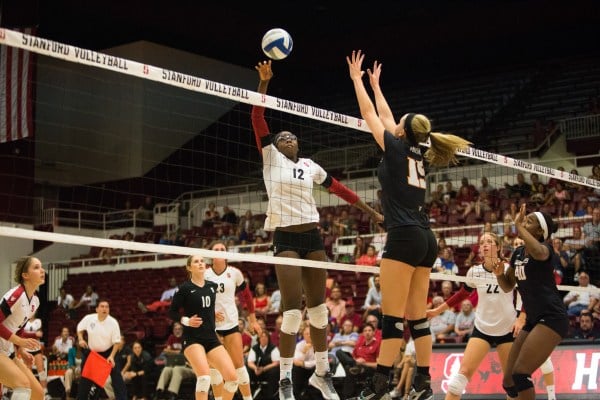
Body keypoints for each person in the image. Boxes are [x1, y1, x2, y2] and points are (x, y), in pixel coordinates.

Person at [252, 59, 383, 400]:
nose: (290, 139)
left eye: (294, 136)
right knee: (293, 311)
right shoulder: (270, 158)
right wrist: (264, 83)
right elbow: (257, 118)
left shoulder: (310, 166)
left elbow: (340, 189)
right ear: (276, 145)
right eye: (284, 137)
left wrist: (372, 212)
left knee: (320, 310)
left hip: (312, 237)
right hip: (286, 238)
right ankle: (284, 380)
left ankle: (322, 375)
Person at [347, 50, 471, 400]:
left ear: (401, 131)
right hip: (426, 238)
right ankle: (423, 384)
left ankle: (378, 385)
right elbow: (386, 114)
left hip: (403, 238)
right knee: (417, 318)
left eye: (398, 122)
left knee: (392, 319)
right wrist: (377, 85)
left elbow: (371, 114)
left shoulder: (396, 149)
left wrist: (358, 81)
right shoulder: (416, 151)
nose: (394, 123)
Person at [494, 205, 568, 400]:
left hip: (552, 318)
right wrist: (499, 273)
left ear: (540, 231)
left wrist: (518, 225)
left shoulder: (546, 249)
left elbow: (539, 252)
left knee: (520, 374)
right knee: (508, 381)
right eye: (525, 220)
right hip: (533, 320)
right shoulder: (518, 253)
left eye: (530, 221)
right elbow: (508, 285)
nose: (525, 221)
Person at [168, 255, 238, 400]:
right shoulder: (184, 288)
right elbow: (171, 312)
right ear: (189, 267)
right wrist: (186, 321)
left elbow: (205, 306)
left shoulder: (211, 286)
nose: (200, 263)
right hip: (192, 339)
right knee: (204, 378)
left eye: (202, 261)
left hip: (211, 338)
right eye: (196, 262)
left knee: (232, 380)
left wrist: (213, 313)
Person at [204, 240, 261, 400]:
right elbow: (196, 300)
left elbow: (248, 297)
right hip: (211, 326)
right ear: (211, 255)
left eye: (223, 248)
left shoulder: (235, 273)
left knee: (239, 367)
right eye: (217, 249)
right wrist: (209, 312)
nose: (221, 250)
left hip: (230, 324)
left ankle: (248, 399)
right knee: (214, 370)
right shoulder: (205, 274)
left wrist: (253, 320)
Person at [0, 257, 46, 400]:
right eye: (36, 267)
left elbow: (18, 327)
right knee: (23, 384)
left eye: (41, 266)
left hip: (6, 349)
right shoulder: (17, 294)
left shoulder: (35, 301)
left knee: (38, 393)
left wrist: (20, 349)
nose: (42, 270)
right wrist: (19, 341)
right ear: (25, 275)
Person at [76, 300, 127, 400]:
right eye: (102, 306)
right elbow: (80, 328)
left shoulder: (113, 322)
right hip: (92, 353)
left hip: (109, 352)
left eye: (107, 307)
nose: (105, 309)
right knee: (85, 378)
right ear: (97, 309)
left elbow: (117, 342)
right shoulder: (89, 318)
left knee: (117, 377)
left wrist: (112, 356)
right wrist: (81, 339)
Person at [21, 314, 49, 399]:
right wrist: (34, 335)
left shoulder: (38, 321)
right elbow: (22, 334)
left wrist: (29, 334)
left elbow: (40, 334)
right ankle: (31, 391)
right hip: (26, 349)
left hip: (36, 348)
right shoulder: (24, 320)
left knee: (41, 370)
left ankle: (45, 391)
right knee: (28, 372)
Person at [247, 330, 280, 399]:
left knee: (274, 371)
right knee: (248, 370)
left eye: (265, 337)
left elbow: (276, 363)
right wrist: (255, 368)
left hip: (268, 370)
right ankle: (248, 394)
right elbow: (250, 362)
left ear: (268, 338)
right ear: (259, 338)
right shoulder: (254, 348)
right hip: (257, 370)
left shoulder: (273, 348)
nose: (263, 338)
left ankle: (270, 395)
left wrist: (264, 369)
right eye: (262, 337)